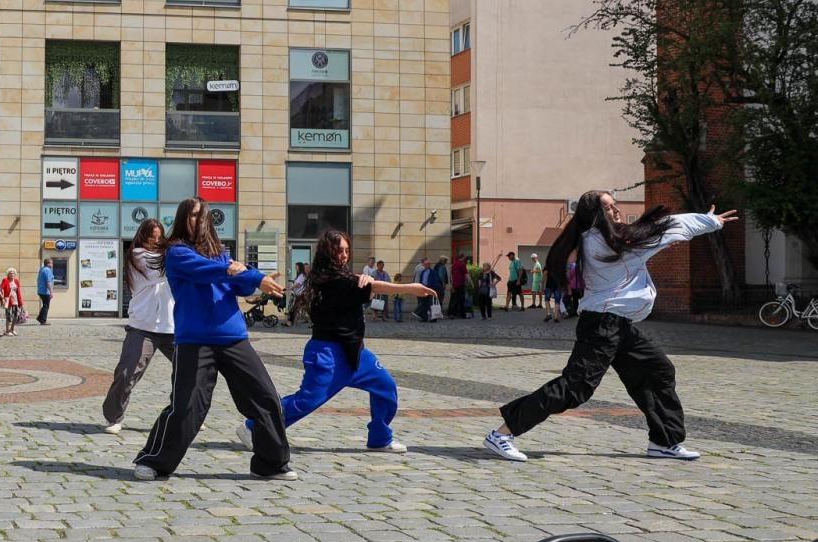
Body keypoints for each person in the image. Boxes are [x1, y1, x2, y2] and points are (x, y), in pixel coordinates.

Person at [485, 192, 735, 463]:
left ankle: (664, 441)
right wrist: (709, 222)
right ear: (594, 215)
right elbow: (665, 229)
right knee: (575, 387)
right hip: (602, 325)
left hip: (618, 325)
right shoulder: (604, 241)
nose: (616, 210)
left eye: (615, 205)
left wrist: (706, 221)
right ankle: (502, 434)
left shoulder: (608, 239)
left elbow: (660, 229)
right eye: (608, 207)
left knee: (657, 369)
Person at [131, 198, 293, 482]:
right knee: (187, 407)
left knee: (266, 398)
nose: (199, 220)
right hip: (195, 341)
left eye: (203, 216)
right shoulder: (177, 252)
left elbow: (239, 286)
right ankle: (154, 461)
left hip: (233, 338)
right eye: (194, 215)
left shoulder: (221, 254)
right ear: (183, 218)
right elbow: (203, 272)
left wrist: (244, 274)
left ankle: (270, 464)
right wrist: (248, 273)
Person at [239, 229, 437, 455]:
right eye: (339, 250)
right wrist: (412, 289)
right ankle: (253, 427)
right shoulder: (330, 279)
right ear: (328, 252)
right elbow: (374, 287)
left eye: (346, 250)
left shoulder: (336, 277)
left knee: (385, 387)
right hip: (328, 354)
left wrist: (365, 279)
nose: (344, 255)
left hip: (355, 352)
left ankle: (380, 438)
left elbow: (362, 285)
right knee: (305, 402)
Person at [101, 219, 175, 435]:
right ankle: (114, 416)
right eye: (152, 236)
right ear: (143, 237)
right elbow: (160, 268)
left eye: (160, 236)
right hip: (143, 326)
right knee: (127, 371)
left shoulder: (170, 257)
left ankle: (182, 415)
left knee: (188, 372)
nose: (157, 240)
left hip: (172, 326)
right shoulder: (138, 255)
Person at [1, 267, 25, 335]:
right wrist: (3, 298)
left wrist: (21, 302)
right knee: (8, 316)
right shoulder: (5, 280)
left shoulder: (16, 281)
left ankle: (12, 329)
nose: (12, 274)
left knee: (15, 316)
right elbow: (1, 289)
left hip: (15, 300)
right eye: (10, 273)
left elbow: (18, 292)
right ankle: (7, 330)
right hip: (8, 301)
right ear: (8, 274)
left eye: (13, 273)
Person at [35, 259, 54, 325]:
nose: (52, 264)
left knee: (45, 305)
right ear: (48, 263)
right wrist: (51, 292)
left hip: (41, 290)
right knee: (46, 306)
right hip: (45, 291)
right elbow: (48, 282)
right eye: (51, 263)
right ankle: (43, 320)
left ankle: (40, 317)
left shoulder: (42, 269)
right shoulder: (47, 270)